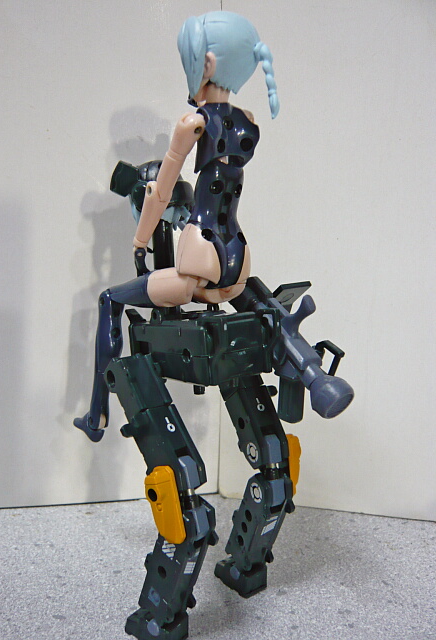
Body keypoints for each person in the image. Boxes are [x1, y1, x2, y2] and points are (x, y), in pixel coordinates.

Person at [75, 10, 279, 438]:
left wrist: (139, 240)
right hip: (237, 262)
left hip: (198, 262)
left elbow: (159, 195)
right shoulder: (250, 123)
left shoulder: (193, 124)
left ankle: (97, 415)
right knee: (255, 315)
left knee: (110, 299)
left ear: (207, 63)